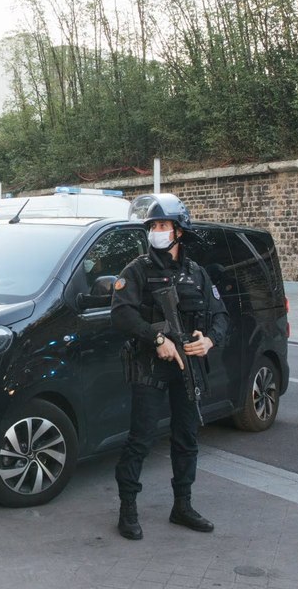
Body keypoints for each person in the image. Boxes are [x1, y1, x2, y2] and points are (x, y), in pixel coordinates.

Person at [110, 193, 229, 541]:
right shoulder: (137, 270)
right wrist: (157, 339)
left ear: (179, 231)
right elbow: (121, 312)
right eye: (153, 226)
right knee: (141, 437)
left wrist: (208, 341)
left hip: (189, 366)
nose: (156, 231)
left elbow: (220, 316)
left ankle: (183, 505)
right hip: (151, 365)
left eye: (163, 225)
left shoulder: (197, 273)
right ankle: (128, 508)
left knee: (187, 436)